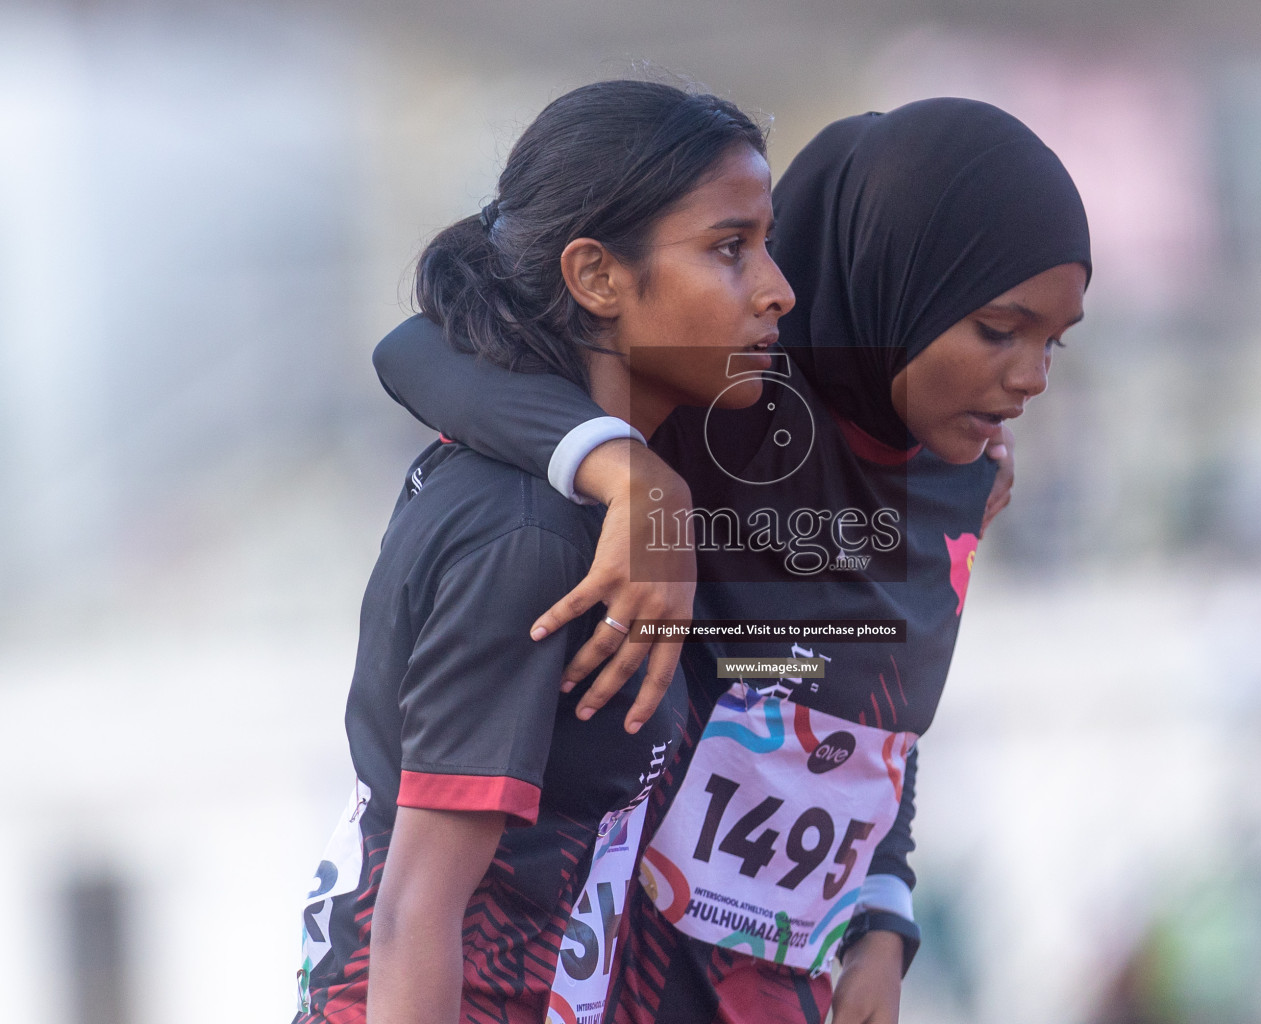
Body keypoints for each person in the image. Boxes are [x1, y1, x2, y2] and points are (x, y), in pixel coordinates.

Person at [373, 97, 1091, 1024]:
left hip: (777, 983)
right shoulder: (725, 400)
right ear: (895, 281)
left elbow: (866, 706)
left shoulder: (958, 480)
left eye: (1055, 341)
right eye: (999, 329)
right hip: (614, 968)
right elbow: (416, 350)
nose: (1033, 377)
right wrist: (635, 476)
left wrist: (882, 909)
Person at [294, 79, 795, 1024]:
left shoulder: (586, 491)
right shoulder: (528, 532)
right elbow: (414, 911)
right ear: (598, 277)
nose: (777, 288)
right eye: (731, 248)